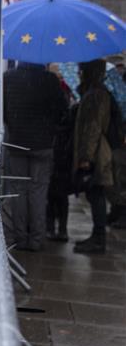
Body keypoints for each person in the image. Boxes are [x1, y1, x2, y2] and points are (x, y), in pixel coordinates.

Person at [3, 62, 68, 251]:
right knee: (38, 192)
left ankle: (20, 239)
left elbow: (4, 111)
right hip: (43, 144)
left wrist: (15, 125)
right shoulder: (50, 80)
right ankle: (37, 240)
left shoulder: (8, 78)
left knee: (19, 191)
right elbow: (62, 111)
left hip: (16, 142)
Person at [72, 59, 114, 253]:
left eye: (82, 69)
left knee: (95, 193)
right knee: (95, 193)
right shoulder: (98, 92)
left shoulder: (95, 95)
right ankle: (97, 237)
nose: (79, 72)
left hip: (96, 152)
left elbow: (93, 128)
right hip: (98, 150)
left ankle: (98, 239)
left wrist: (86, 157)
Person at [46, 64, 76, 241]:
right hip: (59, 152)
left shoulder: (59, 98)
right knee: (56, 194)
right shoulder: (63, 99)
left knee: (55, 193)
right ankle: (57, 228)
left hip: (58, 151)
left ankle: (57, 228)